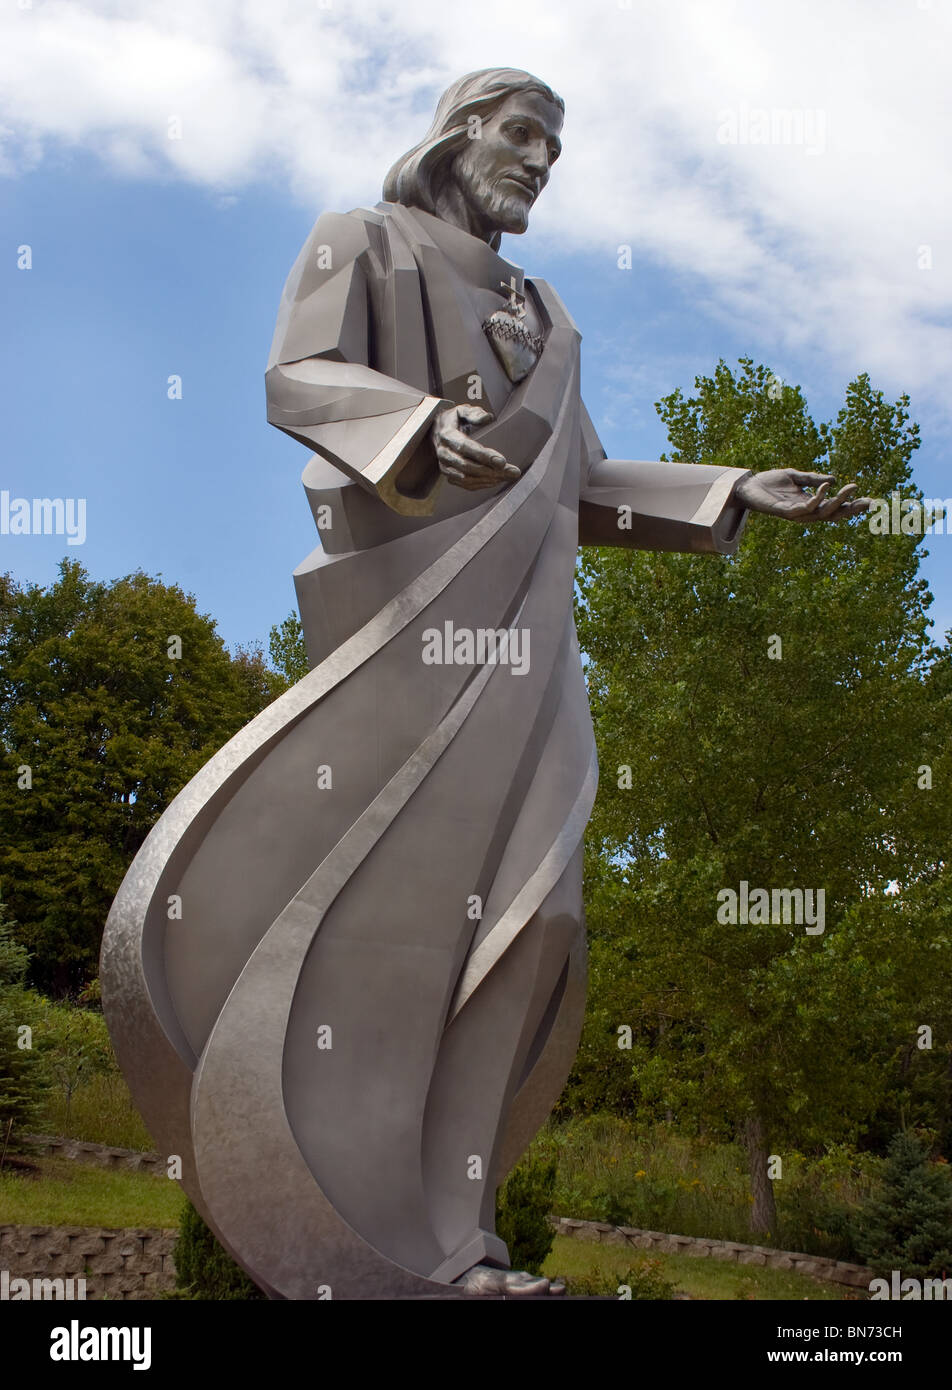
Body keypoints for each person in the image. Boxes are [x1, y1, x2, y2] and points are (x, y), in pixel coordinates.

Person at [102, 67, 869, 1300]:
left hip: (531, 651)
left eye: (552, 148)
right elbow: (297, 376)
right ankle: (349, 1200)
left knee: (536, 924)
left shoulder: (546, 312)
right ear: (454, 136)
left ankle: (458, 1246)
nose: (537, 161)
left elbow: (584, 483)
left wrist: (730, 488)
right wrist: (411, 427)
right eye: (520, 134)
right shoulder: (360, 239)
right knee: (382, 918)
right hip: (415, 625)